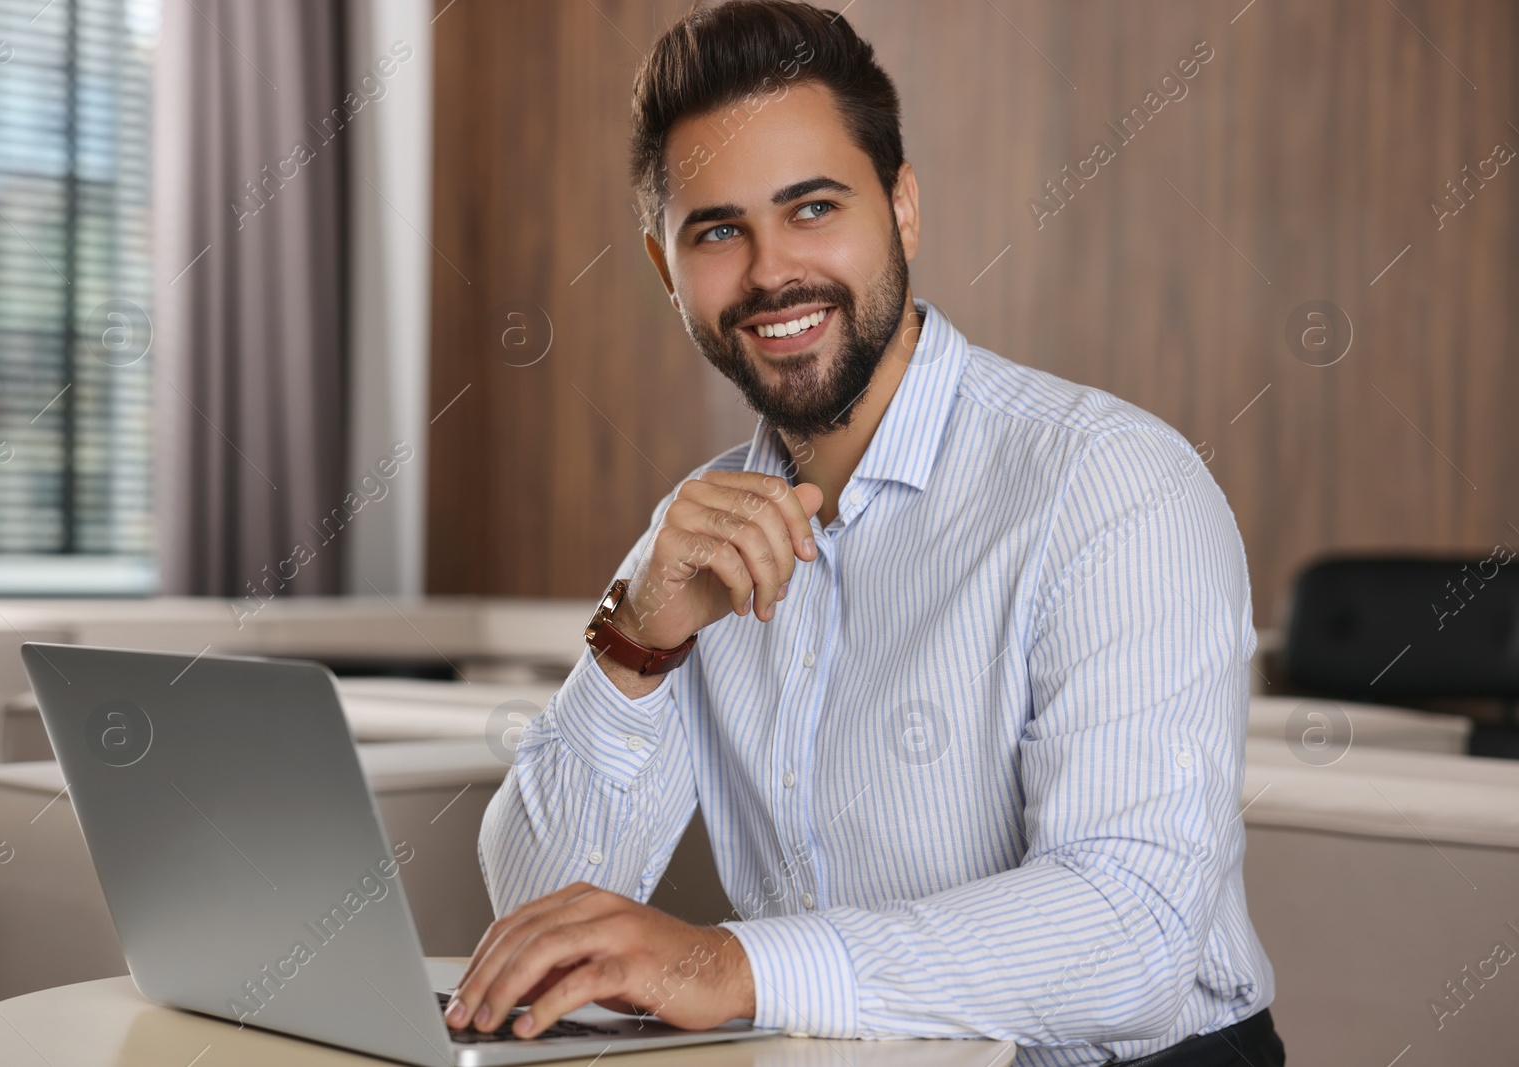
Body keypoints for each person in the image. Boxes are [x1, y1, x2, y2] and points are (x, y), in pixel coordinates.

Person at [446, 3, 1283, 1064]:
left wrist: (729, 965)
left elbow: (1129, 930)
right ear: (667, 271)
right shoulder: (694, 536)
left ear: (901, 209)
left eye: (812, 207)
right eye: (716, 230)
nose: (768, 272)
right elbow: (540, 919)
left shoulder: (1110, 484)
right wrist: (636, 643)